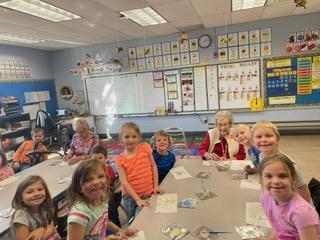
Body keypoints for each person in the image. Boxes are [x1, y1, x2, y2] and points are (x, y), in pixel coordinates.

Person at [67, 159, 138, 240]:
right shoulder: (79, 216)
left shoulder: (102, 199)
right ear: (79, 188)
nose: (96, 182)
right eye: (88, 180)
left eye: (100, 176)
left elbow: (103, 220)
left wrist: (119, 230)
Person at [258, 153, 320, 240]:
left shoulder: (301, 212)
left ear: (293, 179)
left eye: (282, 176)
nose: (275, 181)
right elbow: (278, 229)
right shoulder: (265, 198)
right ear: (261, 180)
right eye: (269, 176)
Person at [252, 120, 311, 203]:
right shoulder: (261, 155)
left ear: (277, 139)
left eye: (268, 136)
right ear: (253, 142)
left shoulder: (288, 164)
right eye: (259, 137)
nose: (264, 139)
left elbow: (304, 194)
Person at [115, 122, 163, 221]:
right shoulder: (120, 159)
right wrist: (137, 199)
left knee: (144, 220)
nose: (130, 140)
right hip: (130, 198)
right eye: (127, 137)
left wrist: (156, 186)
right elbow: (124, 182)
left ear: (139, 137)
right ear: (121, 138)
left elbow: (153, 166)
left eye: (134, 136)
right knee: (133, 222)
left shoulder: (145, 148)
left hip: (147, 194)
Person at [11, 175, 60, 240]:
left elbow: (50, 226)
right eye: (30, 192)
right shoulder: (21, 215)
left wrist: (42, 229)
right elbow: (50, 230)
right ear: (20, 198)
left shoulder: (43, 207)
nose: (36, 193)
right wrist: (48, 233)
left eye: (40, 189)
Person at [91, 145, 122, 228]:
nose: (97, 161)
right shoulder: (91, 170)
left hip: (108, 199)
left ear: (106, 158)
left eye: (100, 158)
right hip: (103, 200)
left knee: (111, 219)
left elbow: (106, 189)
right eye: (94, 159)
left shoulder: (109, 170)